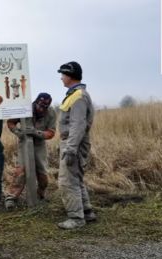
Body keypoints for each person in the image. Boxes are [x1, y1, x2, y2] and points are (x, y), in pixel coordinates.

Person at [56, 61, 96, 230]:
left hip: (74, 143)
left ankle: (76, 218)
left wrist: (71, 149)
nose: (61, 78)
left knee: (67, 181)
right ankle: (87, 212)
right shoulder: (76, 94)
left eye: (63, 75)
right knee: (76, 178)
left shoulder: (78, 96)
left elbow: (78, 125)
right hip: (74, 142)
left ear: (70, 76)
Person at [5, 93, 56, 209]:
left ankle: (40, 195)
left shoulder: (51, 113)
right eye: (40, 106)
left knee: (42, 173)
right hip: (24, 143)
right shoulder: (24, 108)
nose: (42, 109)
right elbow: (10, 122)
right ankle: (11, 198)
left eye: (45, 107)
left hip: (39, 144)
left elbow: (51, 133)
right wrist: (19, 133)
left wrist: (37, 133)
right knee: (20, 171)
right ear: (35, 102)